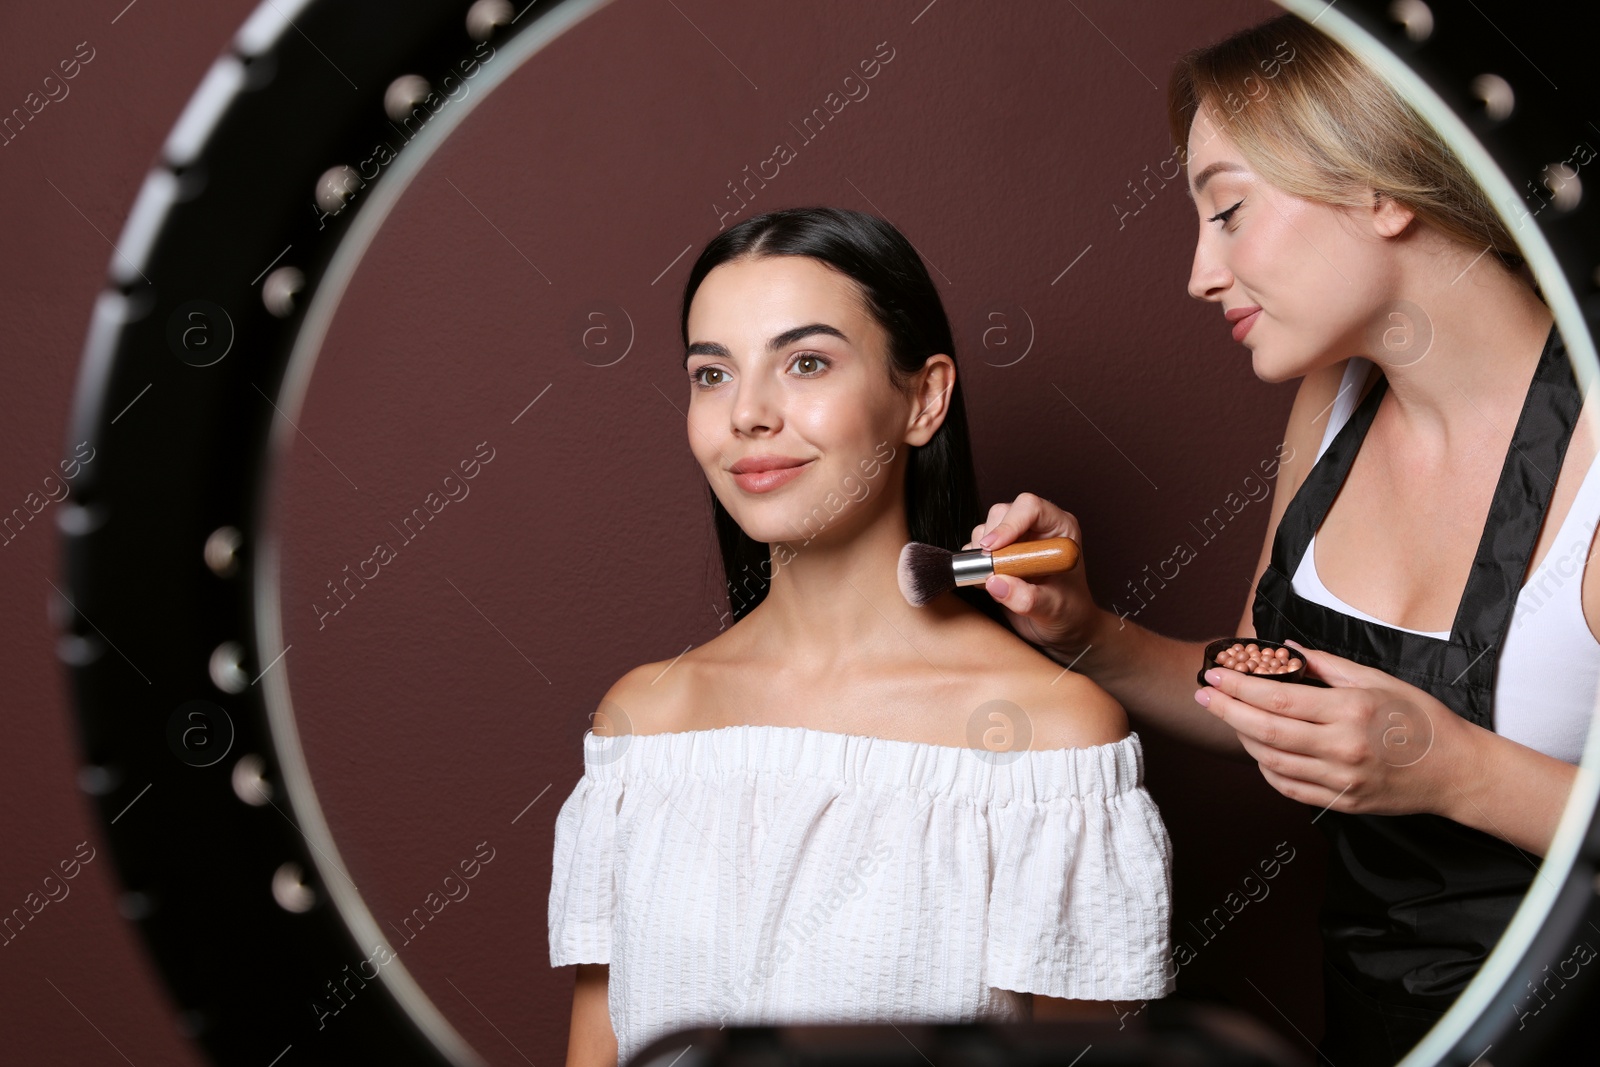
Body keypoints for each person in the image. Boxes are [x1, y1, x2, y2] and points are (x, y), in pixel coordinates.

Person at [962, 13, 1597, 1066]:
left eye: (1227, 212)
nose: (1199, 273)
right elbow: (1272, 685)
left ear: (1378, 187)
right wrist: (1084, 632)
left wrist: (1451, 769)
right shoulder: (1333, 399)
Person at [547, 207, 1175, 1067]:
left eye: (805, 362)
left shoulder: (1051, 743)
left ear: (924, 398)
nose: (749, 414)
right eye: (711, 374)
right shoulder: (647, 724)